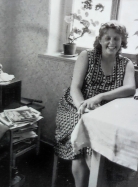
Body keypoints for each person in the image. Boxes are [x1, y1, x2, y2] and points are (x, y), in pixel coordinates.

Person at [55, 20, 136, 187]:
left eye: (117, 39)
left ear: (122, 42)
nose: (112, 43)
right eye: (107, 38)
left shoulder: (126, 63)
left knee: (102, 136)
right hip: (74, 106)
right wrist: (82, 108)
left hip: (103, 110)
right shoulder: (87, 56)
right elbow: (74, 88)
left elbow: (130, 89)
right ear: (100, 40)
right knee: (85, 137)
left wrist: (100, 97)